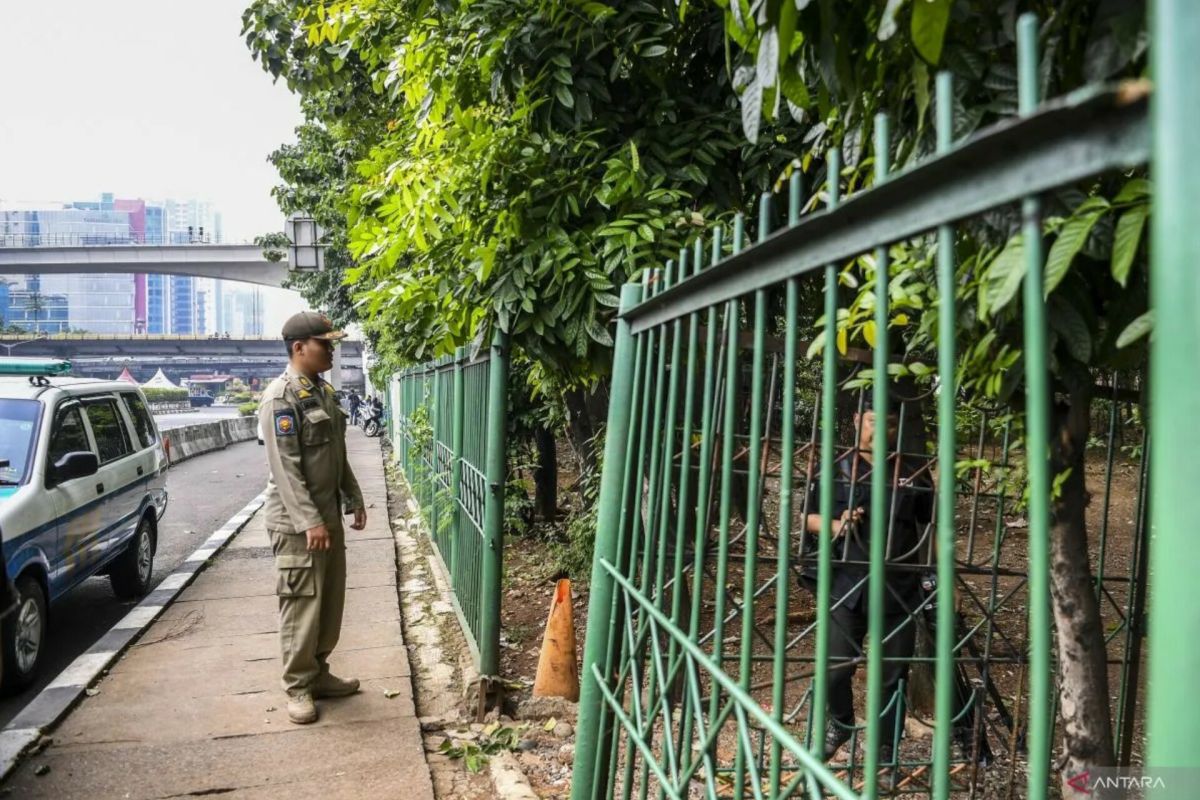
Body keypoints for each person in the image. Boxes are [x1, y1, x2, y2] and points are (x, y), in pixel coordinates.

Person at [804, 394, 932, 769]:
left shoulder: (912, 472)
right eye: (876, 421)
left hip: (899, 588)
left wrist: (944, 579)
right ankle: (840, 722)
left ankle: (885, 755)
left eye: (890, 424)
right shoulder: (835, 468)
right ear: (859, 419)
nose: (882, 431)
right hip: (846, 585)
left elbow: (931, 527)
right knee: (834, 667)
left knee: (892, 677)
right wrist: (835, 524)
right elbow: (807, 519)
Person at [259, 311, 367, 725]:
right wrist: (310, 522)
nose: (332, 350)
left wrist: (352, 496)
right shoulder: (280, 398)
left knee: (330, 602)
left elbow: (334, 454)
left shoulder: (321, 392)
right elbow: (286, 469)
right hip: (297, 524)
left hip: (325, 517)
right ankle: (298, 686)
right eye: (325, 343)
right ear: (299, 347)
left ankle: (319, 672)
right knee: (302, 605)